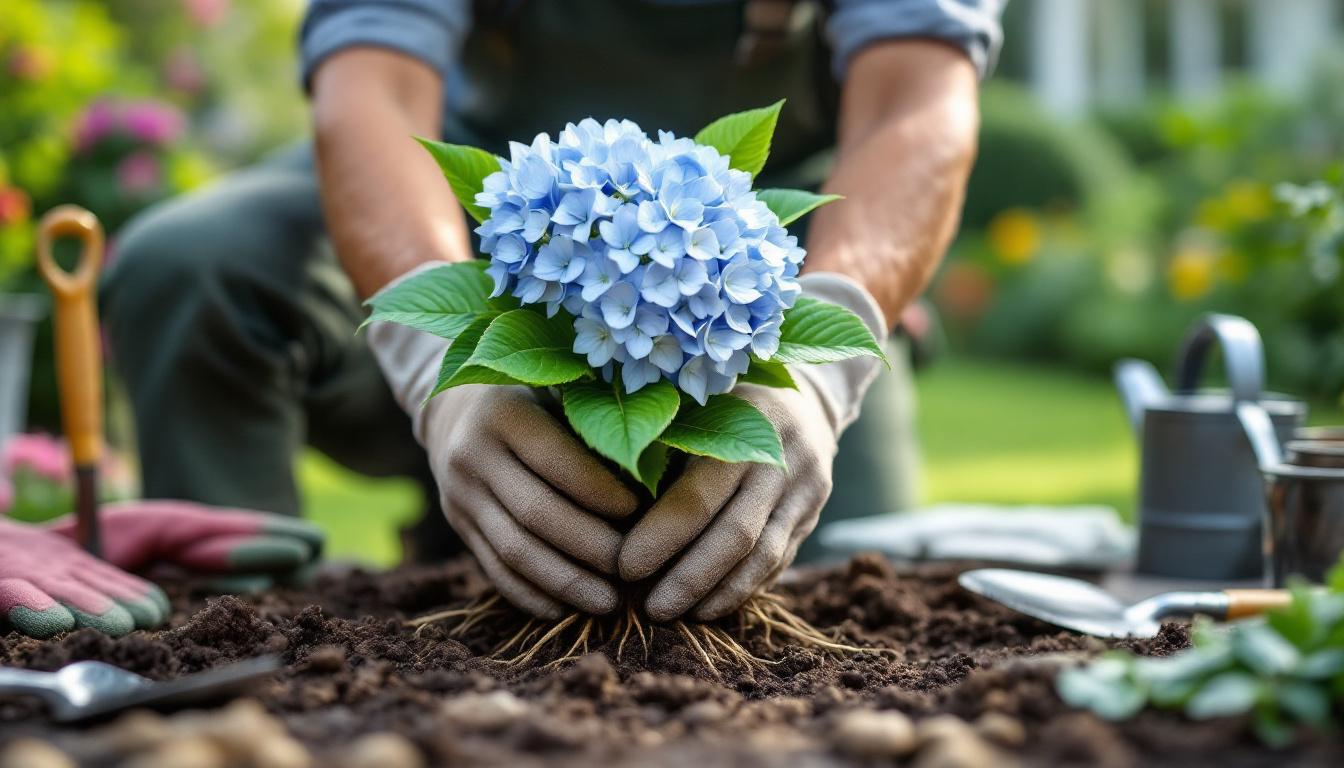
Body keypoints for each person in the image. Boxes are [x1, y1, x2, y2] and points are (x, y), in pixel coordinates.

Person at [1, 0, 1001, 639]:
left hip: (740, 294)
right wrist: (432, 355)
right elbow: (375, 87)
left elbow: (917, 100)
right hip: (470, 224)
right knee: (195, 267)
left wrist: (827, 348)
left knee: (829, 603)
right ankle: (239, 653)